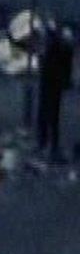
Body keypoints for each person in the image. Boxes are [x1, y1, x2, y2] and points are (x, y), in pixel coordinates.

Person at [37, 19, 74, 163]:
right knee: (51, 116)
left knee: (48, 115)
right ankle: (48, 144)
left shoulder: (56, 48)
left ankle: (46, 143)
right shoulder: (62, 47)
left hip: (51, 82)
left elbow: (49, 64)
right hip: (53, 83)